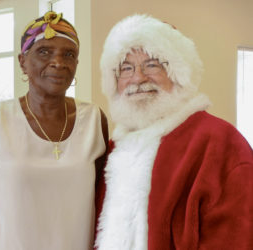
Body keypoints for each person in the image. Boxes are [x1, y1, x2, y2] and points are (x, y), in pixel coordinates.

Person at [95, 14, 253, 250]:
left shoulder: (220, 143)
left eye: (152, 65)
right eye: (126, 68)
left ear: (179, 72)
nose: (137, 78)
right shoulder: (113, 150)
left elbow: (235, 238)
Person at [0, 11, 108, 250]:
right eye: (44, 51)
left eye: (68, 54)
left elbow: (101, 203)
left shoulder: (93, 120)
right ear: (23, 61)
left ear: (76, 64)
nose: (58, 62)